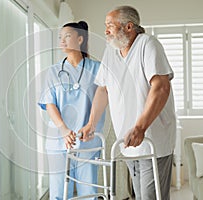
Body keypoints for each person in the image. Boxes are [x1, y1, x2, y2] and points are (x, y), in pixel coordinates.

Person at [79, 6, 176, 200]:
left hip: (152, 140)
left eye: (110, 26)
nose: (105, 31)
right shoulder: (111, 51)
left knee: (150, 197)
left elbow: (161, 87)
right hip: (127, 140)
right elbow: (103, 89)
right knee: (139, 195)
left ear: (129, 27)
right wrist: (91, 123)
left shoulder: (148, 44)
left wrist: (140, 127)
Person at [38, 21, 105, 199]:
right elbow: (49, 103)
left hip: (87, 141)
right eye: (60, 37)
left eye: (67, 36)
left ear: (80, 39)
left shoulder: (97, 69)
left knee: (88, 193)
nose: (62, 40)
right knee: (59, 193)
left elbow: (104, 98)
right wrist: (63, 129)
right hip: (58, 141)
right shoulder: (53, 72)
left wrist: (90, 125)